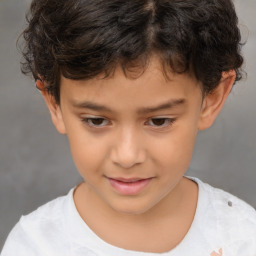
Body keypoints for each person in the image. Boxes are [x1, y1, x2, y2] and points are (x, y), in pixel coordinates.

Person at [1, 0, 256, 255]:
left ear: (211, 99)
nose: (127, 156)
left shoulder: (241, 237)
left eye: (158, 121)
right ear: (55, 104)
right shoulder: (35, 246)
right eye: (96, 120)